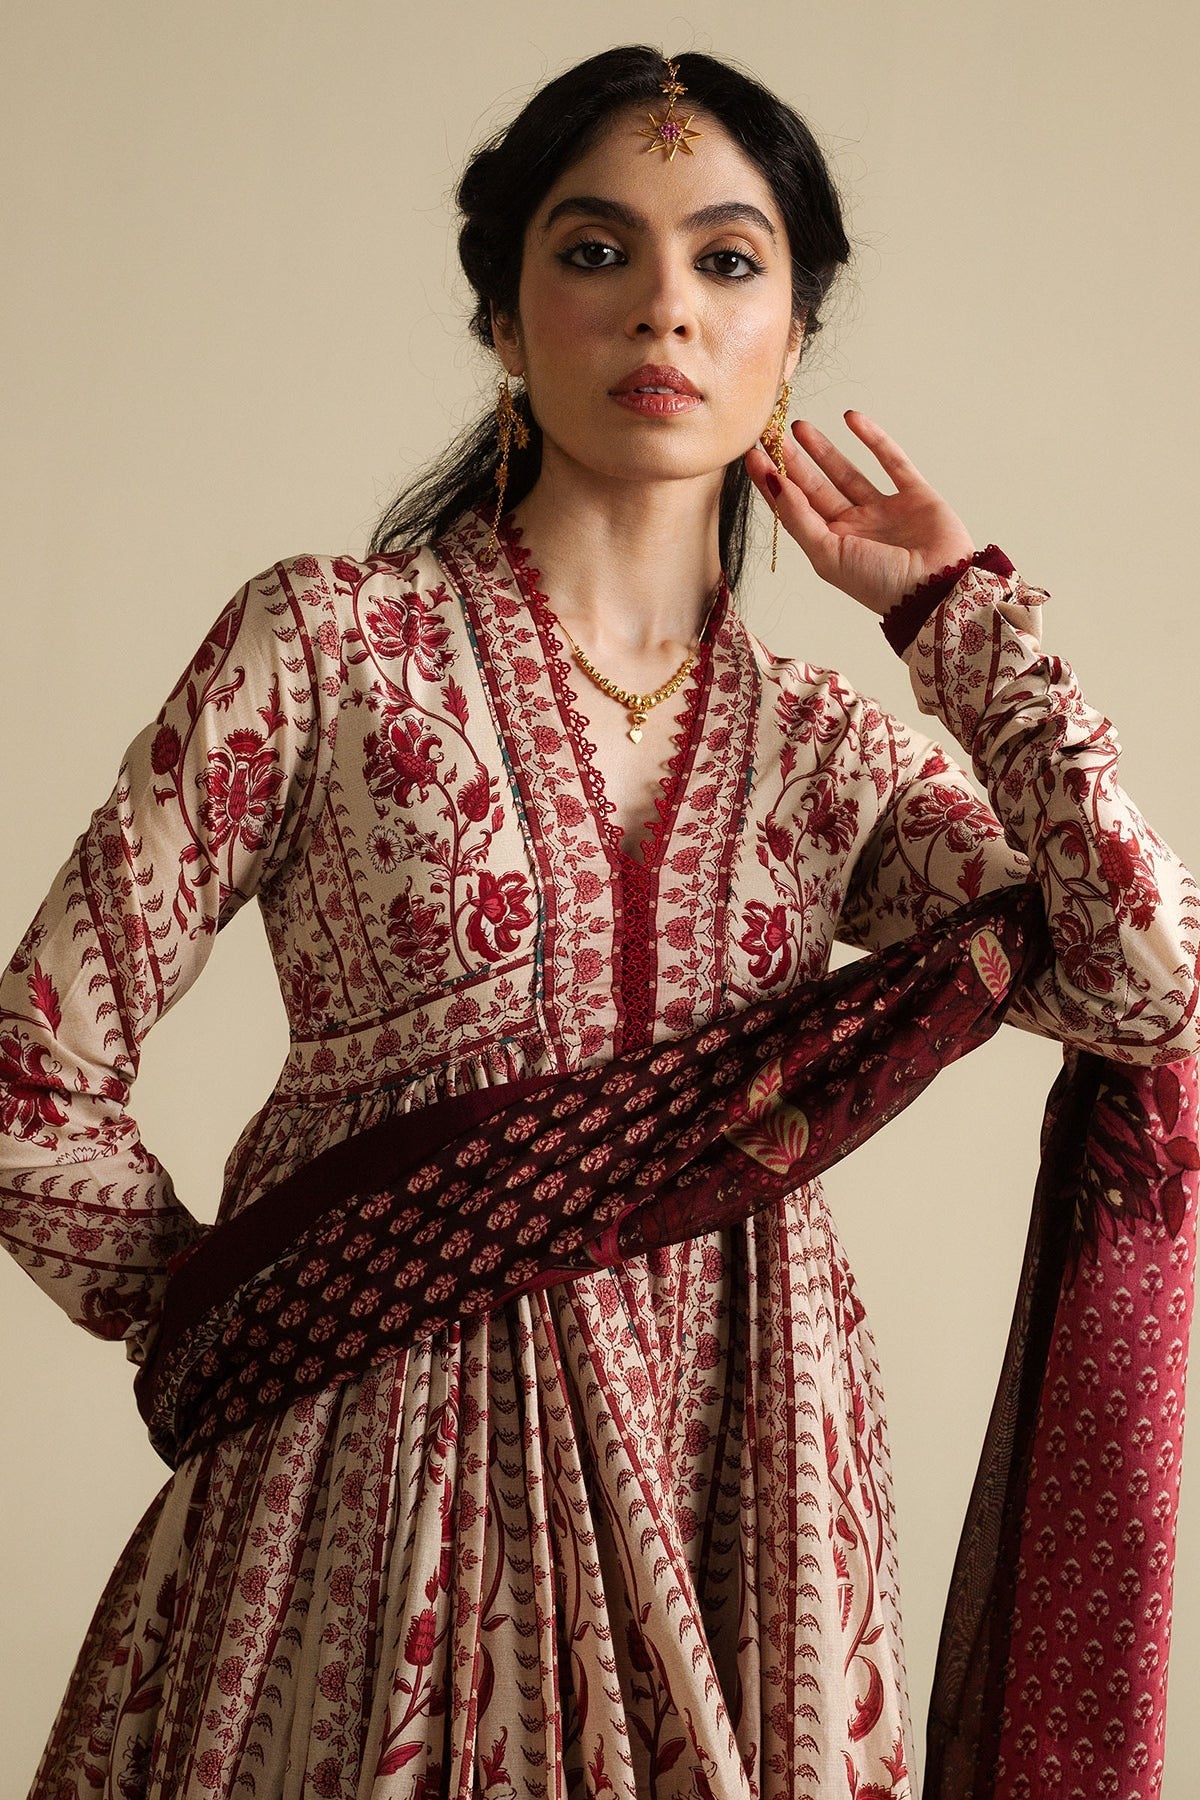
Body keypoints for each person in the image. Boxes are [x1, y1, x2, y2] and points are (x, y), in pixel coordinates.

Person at [1, 42, 1196, 1800]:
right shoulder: (329, 650)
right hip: (373, 1486)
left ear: (795, 335)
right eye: (594, 250)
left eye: (728, 261)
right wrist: (253, 1313)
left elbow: (1151, 990)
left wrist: (962, 626)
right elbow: (29, 1079)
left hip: (754, 1502)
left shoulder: (825, 748)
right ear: (504, 317)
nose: (664, 308)